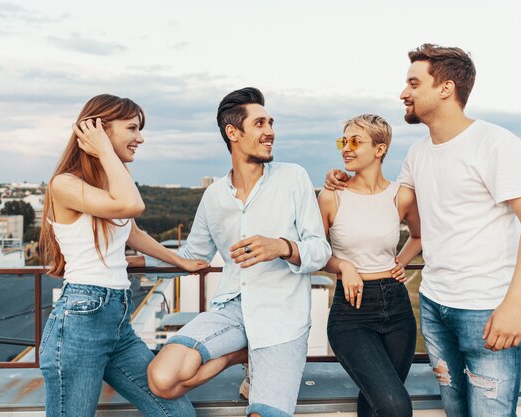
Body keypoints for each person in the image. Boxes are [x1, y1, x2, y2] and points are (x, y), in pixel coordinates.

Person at [325, 44, 521, 417]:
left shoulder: (496, 143)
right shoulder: (418, 152)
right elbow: (384, 205)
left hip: (487, 309)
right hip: (434, 307)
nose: (404, 93)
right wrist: (342, 178)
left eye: (413, 83)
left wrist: (515, 304)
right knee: (455, 411)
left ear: (445, 88)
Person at [143, 87, 331, 417]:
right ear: (233, 132)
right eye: (260, 123)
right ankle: (242, 353)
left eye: (271, 123)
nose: (270, 131)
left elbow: (320, 250)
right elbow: (191, 254)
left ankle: (255, 353)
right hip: (232, 310)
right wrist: (134, 258)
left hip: (281, 319)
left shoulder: (294, 178)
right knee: (162, 379)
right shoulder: (214, 196)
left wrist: (282, 247)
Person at [38, 94, 209, 417]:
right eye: (132, 128)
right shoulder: (65, 184)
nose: (140, 138)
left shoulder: (112, 183)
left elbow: (132, 231)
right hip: (80, 320)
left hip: (117, 322)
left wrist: (180, 261)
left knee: (177, 412)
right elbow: (132, 206)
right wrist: (104, 150)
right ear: (99, 129)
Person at [318, 114, 421, 417]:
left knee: (374, 405)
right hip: (351, 314)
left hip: (398, 308)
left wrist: (401, 261)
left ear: (380, 149)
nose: (346, 148)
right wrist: (344, 266)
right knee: (395, 407)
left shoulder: (400, 195)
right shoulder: (330, 196)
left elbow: (418, 235)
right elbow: (315, 253)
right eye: (343, 141)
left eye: (355, 141)